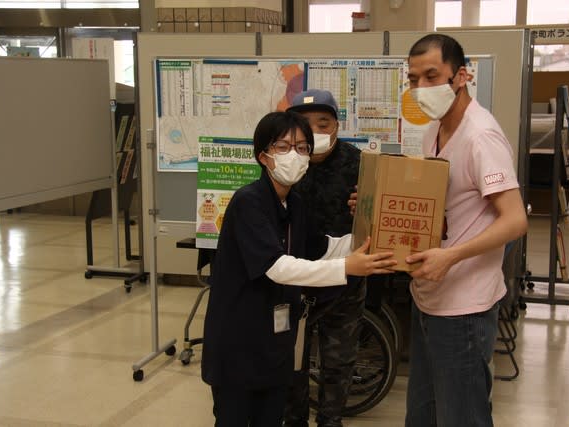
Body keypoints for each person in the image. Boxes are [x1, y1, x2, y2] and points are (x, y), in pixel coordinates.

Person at [201, 111, 397, 427]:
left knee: (271, 416)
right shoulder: (248, 202)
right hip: (240, 338)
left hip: (277, 337)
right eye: (284, 147)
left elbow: (320, 248)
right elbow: (277, 267)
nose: (295, 155)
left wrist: (373, 242)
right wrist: (347, 267)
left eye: (302, 148)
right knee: (234, 417)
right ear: (263, 156)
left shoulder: (294, 204)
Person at [403, 34, 528, 427]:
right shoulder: (434, 131)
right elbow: (442, 206)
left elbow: (515, 219)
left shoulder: (480, 136)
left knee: (462, 417)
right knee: (422, 415)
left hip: (465, 309)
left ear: (460, 76)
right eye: (413, 79)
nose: (421, 88)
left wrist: (452, 256)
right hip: (429, 297)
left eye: (431, 76)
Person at [284, 89, 370, 427]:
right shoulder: (286, 162)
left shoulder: (359, 164)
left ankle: (331, 420)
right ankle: (294, 420)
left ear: (336, 125)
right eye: (305, 125)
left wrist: (366, 209)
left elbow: (379, 219)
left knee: (339, 359)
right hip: (295, 278)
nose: (315, 131)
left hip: (345, 278)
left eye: (323, 123)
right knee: (292, 359)